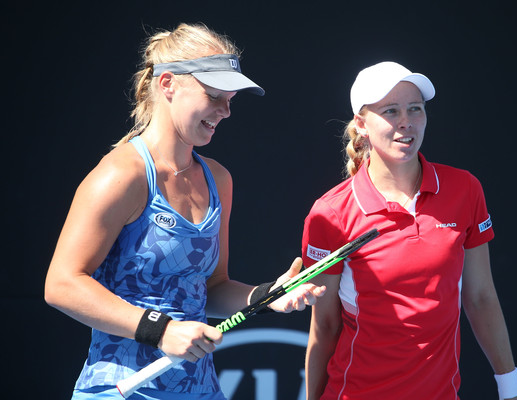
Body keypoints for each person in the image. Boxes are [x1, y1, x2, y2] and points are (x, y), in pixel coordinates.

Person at [44, 22, 325, 400]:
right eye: (214, 95)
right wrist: (160, 330)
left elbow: (212, 288)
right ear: (168, 85)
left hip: (202, 390)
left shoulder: (218, 179)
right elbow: (61, 284)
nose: (225, 111)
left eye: (231, 99)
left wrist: (266, 295)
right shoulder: (121, 175)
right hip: (120, 391)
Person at [302, 61, 517, 400]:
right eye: (390, 111)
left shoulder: (465, 189)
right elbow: (325, 326)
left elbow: (480, 298)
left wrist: (511, 387)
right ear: (361, 125)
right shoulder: (331, 212)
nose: (406, 122)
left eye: (415, 109)